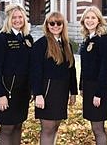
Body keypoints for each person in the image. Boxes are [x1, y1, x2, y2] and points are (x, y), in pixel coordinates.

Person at [31, 11, 78, 145]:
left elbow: (72, 70)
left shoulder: (66, 44)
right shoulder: (41, 44)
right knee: (48, 128)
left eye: (59, 23)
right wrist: (38, 94)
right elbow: (35, 71)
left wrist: (73, 92)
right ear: (47, 25)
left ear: (63, 25)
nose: (55, 26)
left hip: (61, 91)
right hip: (47, 91)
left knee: (56, 126)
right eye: (52, 23)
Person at [0, 4, 33, 145]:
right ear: (8, 19)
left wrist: (31, 90)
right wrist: (0, 94)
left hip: (23, 92)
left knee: (18, 125)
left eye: (20, 17)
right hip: (7, 91)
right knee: (7, 127)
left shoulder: (28, 39)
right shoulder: (1, 39)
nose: (17, 20)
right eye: (14, 17)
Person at [79, 6, 107, 145]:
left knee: (98, 128)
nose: (90, 20)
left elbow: (105, 69)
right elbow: (85, 67)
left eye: (93, 17)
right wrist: (82, 87)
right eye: (87, 17)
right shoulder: (87, 40)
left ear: (99, 20)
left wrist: (98, 93)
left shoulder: (104, 40)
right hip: (88, 88)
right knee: (94, 126)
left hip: (100, 88)